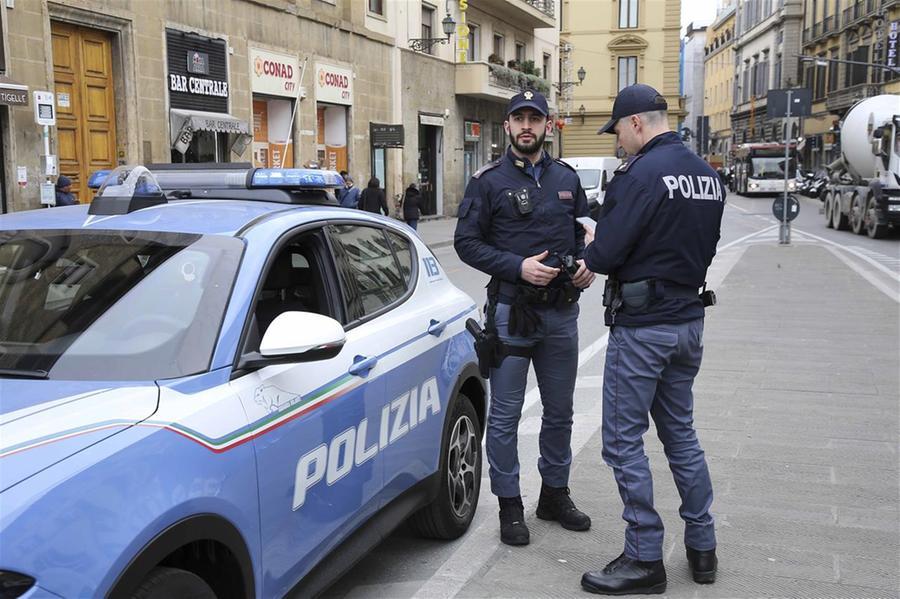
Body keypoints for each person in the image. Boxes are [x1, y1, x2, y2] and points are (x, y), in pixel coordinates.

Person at [578, 83, 724, 595]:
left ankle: (643, 557)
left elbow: (604, 256)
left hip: (643, 329)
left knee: (622, 441)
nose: (618, 141)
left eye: (618, 131)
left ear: (637, 123)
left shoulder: (639, 174)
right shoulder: (706, 175)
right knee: (680, 434)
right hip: (688, 321)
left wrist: (594, 239)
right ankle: (702, 547)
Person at [454, 89, 596, 547]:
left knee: (560, 413)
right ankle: (510, 505)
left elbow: (585, 232)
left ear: (547, 125)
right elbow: (465, 243)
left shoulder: (567, 178)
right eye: (520, 119)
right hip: (511, 314)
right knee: (504, 417)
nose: (527, 126)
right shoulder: (487, 181)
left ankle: (554, 495)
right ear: (508, 126)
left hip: (561, 314)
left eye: (535, 118)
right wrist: (517, 267)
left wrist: (587, 264)